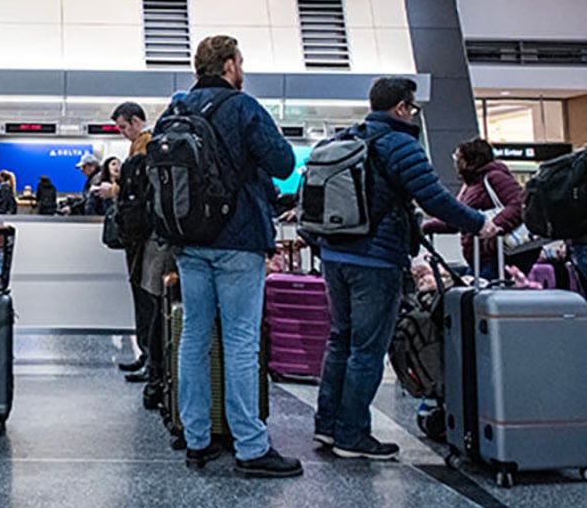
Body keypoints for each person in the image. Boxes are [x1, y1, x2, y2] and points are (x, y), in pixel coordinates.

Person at [313, 77, 499, 461]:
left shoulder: (346, 138)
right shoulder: (400, 144)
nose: (413, 114)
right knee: (367, 350)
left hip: (334, 256)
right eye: (412, 107)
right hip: (375, 260)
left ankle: (327, 426)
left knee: (340, 342)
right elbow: (434, 198)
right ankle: (352, 435)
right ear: (401, 107)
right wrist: (478, 222)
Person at [157, 34, 302, 478]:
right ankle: (251, 447)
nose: (244, 68)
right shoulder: (243, 107)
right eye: (241, 61)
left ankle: (197, 440)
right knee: (240, 341)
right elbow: (283, 164)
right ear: (228, 66)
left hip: (188, 241)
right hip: (237, 241)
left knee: (194, 338)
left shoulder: (176, 109)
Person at [96, 103, 157, 383]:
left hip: (144, 234)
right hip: (142, 232)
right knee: (143, 296)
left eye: (122, 127)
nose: (122, 133)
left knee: (145, 296)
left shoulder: (146, 146)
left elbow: (140, 188)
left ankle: (150, 357)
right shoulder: (140, 146)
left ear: (135, 121)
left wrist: (114, 190)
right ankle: (147, 355)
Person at [422, 137, 539, 280]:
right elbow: (459, 218)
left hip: (500, 254)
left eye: (458, 157)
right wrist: (426, 227)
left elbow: (518, 203)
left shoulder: (494, 177)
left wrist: (494, 225)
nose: (455, 162)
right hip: (482, 256)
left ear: (470, 161)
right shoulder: (470, 185)